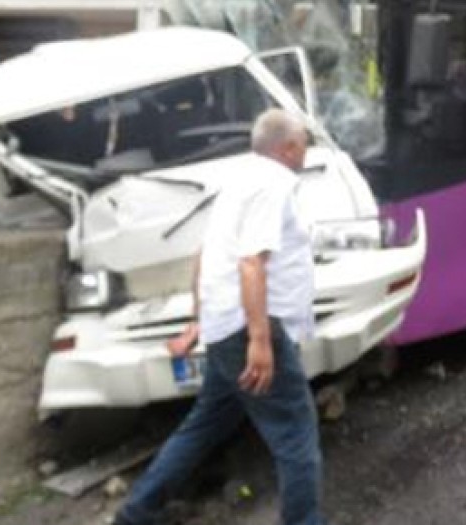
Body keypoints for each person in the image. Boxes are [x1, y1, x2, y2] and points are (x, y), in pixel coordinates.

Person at [114, 109, 326, 525]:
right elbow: (250, 263)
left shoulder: (239, 181)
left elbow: (206, 255)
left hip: (226, 327)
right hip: (251, 330)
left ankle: (136, 513)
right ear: (287, 148)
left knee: (204, 425)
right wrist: (261, 341)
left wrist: (199, 321)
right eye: (303, 142)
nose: (306, 149)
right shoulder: (273, 185)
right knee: (296, 435)